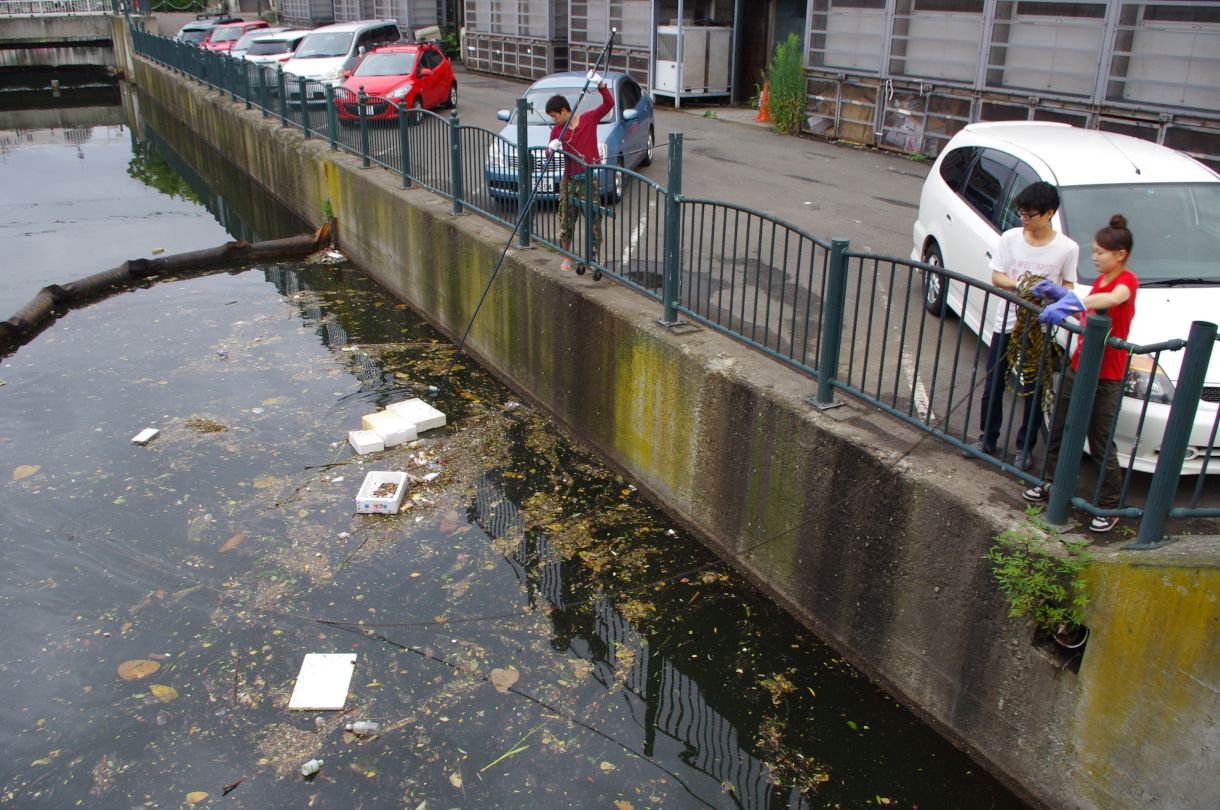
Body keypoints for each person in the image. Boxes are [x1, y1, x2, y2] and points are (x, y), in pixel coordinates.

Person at [1022, 214, 1138, 533]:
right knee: (1059, 426)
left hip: (1106, 376)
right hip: (1079, 366)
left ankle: (1109, 504)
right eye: (1095, 252)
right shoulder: (1101, 279)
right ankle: (1052, 484)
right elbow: (1095, 299)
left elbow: (1111, 300)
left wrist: (1072, 302)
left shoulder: (1125, 281)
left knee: (1100, 440)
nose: (1095, 257)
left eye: (1100, 252)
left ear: (1120, 254)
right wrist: (1066, 298)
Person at [964, 181, 1079, 471]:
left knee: (1034, 387)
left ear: (1049, 213)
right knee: (994, 381)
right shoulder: (1011, 238)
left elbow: (1068, 284)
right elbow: (997, 277)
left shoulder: (1067, 248)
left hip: (1039, 329)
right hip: (1007, 321)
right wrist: (1024, 286)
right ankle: (986, 437)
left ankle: (1024, 447)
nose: (1024, 219)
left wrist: (1052, 300)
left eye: (1030, 215)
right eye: (1022, 214)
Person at [545, 74, 614, 273]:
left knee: (594, 220)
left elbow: (608, 104)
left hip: (588, 179)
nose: (553, 120)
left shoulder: (588, 119)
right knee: (566, 219)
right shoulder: (558, 131)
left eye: (554, 115)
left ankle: (596, 256)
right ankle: (567, 256)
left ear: (564, 111)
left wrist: (600, 85)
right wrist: (552, 147)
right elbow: (548, 152)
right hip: (569, 179)